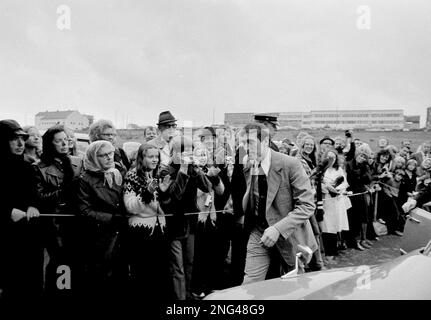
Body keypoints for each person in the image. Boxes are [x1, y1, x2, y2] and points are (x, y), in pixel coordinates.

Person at [239, 123, 316, 284]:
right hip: (259, 232)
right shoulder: (248, 165)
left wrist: (277, 229)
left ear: (266, 142)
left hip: (290, 236)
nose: (246, 148)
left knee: (295, 286)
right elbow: (250, 202)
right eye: (243, 143)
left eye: (250, 143)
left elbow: (307, 205)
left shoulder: (291, 164)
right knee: (250, 283)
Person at [158, 135, 213, 300]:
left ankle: (188, 295)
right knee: (178, 266)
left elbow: (207, 187)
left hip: (190, 223)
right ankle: (179, 299)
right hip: (173, 225)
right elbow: (175, 196)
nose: (185, 154)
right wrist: (182, 169)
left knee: (189, 263)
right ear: (173, 152)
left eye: (189, 151)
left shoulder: (191, 168)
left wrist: (198, 172)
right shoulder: (165, 171)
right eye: (182, 151)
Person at [34, 124, 83, 296]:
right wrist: (63, 192)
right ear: (50, 144)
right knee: (60, 261)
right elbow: (39, 197)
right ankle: (58, 293)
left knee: (76, 261)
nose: (64, 144)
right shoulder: (40, 167)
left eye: (66, 140)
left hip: (77, 220)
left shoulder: (78, 162)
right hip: (55, 223)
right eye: (58, 141)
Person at [77, 140, 128, 298]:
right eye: (103, 155)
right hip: (99, 236)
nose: (109, 157)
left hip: (121, 232)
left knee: (120, 275)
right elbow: (84, 210)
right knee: (100, 277)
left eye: (111, 153)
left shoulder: (118, 171)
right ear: (94, 157)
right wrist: (111, 218)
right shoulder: (85, 179)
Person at [0, 120, 43, 299]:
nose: (20, 144)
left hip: (27, 233)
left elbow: (35, 194)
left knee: (31, 282)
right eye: (14, 139)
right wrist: (7, 212)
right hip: (4, 237)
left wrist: (34, 205)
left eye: (22, 138)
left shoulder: (26, 167)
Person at [123, 143, 173, 300]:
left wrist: (163, 193)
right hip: (141, 232)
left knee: (161, 274)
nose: (154, 160)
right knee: (143, 274)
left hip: (160, 230)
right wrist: (148, 191)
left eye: (156, 156)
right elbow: (131, 207)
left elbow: (162, 205)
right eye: (150, 156)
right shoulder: (132, 176)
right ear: (141, 158)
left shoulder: (157, 174)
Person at [320, 149, 350, 263]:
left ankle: (335, 249)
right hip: (326, 200)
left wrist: (337, 189)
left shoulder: (339, 169)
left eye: (333, 158)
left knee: (336, 225)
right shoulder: (323, 170)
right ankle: (329, 252)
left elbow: (345, 183)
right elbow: (320, 183)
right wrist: (327, 188)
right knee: (328, 226)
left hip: (337, 200)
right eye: (328, 157)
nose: (331, 160)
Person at [345, 144, 374, 250]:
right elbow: (349, 179)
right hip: (351, 194)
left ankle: (363, 239)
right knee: (353, 219)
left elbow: (368, 179)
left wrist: (361, 174)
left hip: (361, 193)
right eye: (361, 155)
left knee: (364, 217)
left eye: (364, 157)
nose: (362, 158)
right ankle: (354, 241)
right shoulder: (349, 164)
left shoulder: (364, 166)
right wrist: (358, 176)